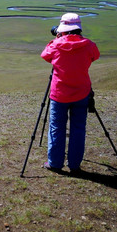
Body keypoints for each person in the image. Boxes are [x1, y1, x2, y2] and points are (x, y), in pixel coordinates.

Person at [40, 13, 100, 173]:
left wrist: (57, 39)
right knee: (78, 128)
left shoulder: (56, 44)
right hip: (82, 92)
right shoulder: (89, 45)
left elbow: (45, 55)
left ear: (63, 29)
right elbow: (95, 56)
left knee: (56, 127)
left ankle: (54, 163)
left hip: (59, 94)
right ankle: (74, 165)